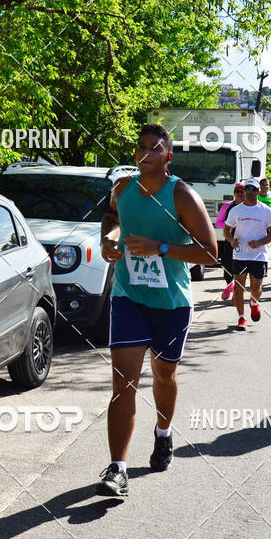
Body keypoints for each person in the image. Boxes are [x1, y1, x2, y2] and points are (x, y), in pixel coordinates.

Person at [97, 123, 217, 496]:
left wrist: (160, 247)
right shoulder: (122, 189)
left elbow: (211, 254)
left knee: (163, 375)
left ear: (168, 156)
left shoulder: (181, 195)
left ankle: (163, 433)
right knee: (124, 383)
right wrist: (108, 241)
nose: (145, 153)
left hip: (171, 303)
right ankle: (117, 469)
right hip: (129, 295)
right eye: (140, 147)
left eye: (154, 148)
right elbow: (112, 221)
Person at [223, 178, 271, 330]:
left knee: (256, 287)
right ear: (244, 191)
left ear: (258, 192)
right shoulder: (236, 210)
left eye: (254, 189)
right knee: (239, 287)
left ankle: (254, 302)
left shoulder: (266, 210)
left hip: (259, 255)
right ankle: (241, 318)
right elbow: (226, 230)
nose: (250, 192)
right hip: (240, 254)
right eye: (248, 189)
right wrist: (231, 240)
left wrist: (260, 242)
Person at [216, 182, 245, 301]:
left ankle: (236, 294)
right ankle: (229, 286)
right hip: (229, 241)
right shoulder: (227, 206)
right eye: (237, 191)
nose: (240, 193)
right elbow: (218, 222)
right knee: (227, 265)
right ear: (234, 193)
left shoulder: (249, 206)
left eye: (242, 191)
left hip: (244, 242)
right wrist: (230, 226)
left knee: (240, 268)